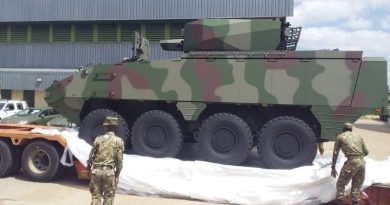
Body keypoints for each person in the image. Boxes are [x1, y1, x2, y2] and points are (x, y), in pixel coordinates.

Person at [87, 116, 125, 205]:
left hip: (96, 171)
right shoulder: (119, 141)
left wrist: (88, 168)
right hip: (109, 172)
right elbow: (119, 161)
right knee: (109, 197)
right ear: (115, 127)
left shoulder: (98, 139)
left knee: (96, 196)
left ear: (105, 126)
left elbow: (91, 156)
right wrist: (117, 174)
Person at [331, 123, 369, 205]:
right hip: (362, 162)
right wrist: (358, 156)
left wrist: (333, 167)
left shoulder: (340, 137)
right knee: (356, 186)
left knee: (341, 184)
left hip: (352, 162)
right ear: (351, 129)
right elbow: (366, 152)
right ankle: (355, 203)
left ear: (343, 129)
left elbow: (335, 153)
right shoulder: (358, 136)